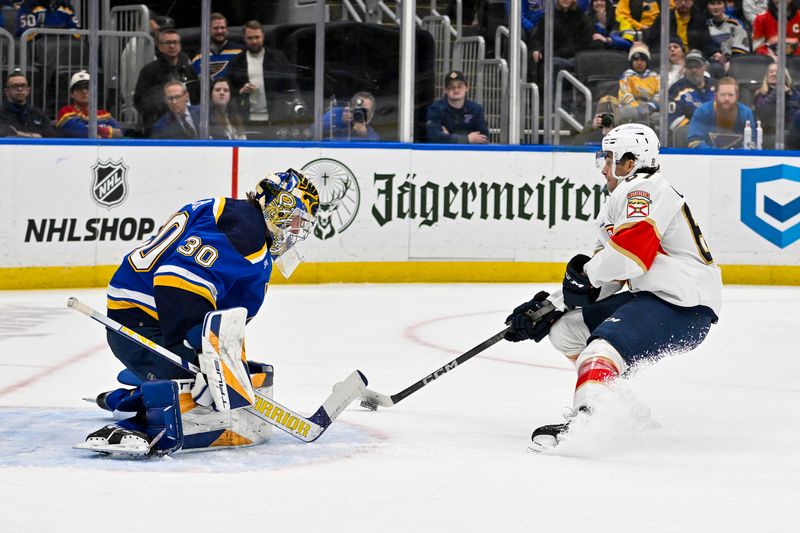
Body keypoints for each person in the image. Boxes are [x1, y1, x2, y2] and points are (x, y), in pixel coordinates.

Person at [504, 123, 721, 452]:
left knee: (599, 349)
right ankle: (623, 409)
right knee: (566, 330)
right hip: (655, 298)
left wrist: (586, 277)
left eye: (609, 158)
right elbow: (604, 278)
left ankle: (586, 422)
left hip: (681, 305)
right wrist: (548, 307)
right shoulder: (627, 197)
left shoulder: (644, 190)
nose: (604, 167)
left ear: (630, 162)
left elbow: (630, 258)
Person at [82, 169, 320, 455]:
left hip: (149, 315)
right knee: (202, 384)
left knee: (223, 377)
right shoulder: (247, 233)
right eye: (295, 220)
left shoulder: (239, 218)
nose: (296, 231)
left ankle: (128, 396)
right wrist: (199, 354)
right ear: (278, 207)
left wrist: (215, 355)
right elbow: (176, 280)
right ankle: (140, 423)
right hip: (142, 322)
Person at [229, 20, 306, 140]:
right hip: (247, 122)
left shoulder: (278, 58)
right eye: (250, 38)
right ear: (244, 38)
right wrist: (241, 91)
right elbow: (229, 90)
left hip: (275, 120)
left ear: (263, 36)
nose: (254, 41)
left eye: (257, 37)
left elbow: (291, 86)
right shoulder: (237, 61)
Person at [134, 28, 200, 135]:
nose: (172, 46)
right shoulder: (149, 71)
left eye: (175, 42)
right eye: (168, 43)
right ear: (160, 46)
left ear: (180, 45)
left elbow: (197, 97)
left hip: (188, 124)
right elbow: (139, 102)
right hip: (161, 128)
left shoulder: (189, 69)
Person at [643, 0, 722, 68]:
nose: (683, 4)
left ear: (692, 2)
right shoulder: (664, 17)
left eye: (686, 1)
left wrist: (715, 52)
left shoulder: (699, 19)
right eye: (680, 1)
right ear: (674, 1)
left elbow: (706, 41)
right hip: (669, 55)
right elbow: (651, 37)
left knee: (717, 66)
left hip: (693, 55)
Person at [528, 0, 593, 78]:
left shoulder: (583, 18)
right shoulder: (548, 16)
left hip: (575, 57)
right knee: (553, 63)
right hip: (553, 56)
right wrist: (537, 49)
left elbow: (586, 42)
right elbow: (538, 37)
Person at [687, 76, 757, 148]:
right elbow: (694, 142)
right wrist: (716, 153)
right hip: (708, 157)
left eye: (731, 95)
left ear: (737, 96)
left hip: (737, 157)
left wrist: (733, 154)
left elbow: (752, 143)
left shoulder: (746, 113)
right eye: (722, 95)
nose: (727, 99)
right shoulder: (702, 111)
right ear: (715, 96)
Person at [425, 70, 490, 144]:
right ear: (445, 90)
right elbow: (433, 136)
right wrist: (467, 139)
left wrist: (448, 137)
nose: (456, 90)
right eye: (451, 87)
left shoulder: (476, 109)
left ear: (467, 88)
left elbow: (484, 139)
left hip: (470, 154)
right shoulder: (436, 109)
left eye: (460, 86)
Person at [55, 71, 122, 138]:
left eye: (87, 88)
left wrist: (91, 128)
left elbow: (119, 134)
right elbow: (80, 132)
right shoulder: (65, 112)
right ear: (72, 94)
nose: (84, 91)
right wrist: (104, 130)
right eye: (79, 88)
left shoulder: (104, 114)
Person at [753, 62, 800, 147]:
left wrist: (790, 94)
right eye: (771, 72)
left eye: (777, 72)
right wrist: (778, 91)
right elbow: (762, 111)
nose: (774, 74)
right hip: (768, 134)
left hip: (792, 136)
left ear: (785, 76)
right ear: (767, 76)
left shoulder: (794, 94)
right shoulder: (760, 94)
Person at [668, 49, 716, 130]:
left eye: (697, 66)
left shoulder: (716, 86)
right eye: (690, 66)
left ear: (704, 67)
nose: (693, 70)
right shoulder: (676, 89)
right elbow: (672, 121)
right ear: (685, 68)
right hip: (691, 134)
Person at [0, 69, 56, 138]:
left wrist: (18, 134)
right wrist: (35, 136)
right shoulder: (1, 114)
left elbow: (51, 135)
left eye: (23, 86)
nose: (20, 89)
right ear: (7, 91)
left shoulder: (39, 114)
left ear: (28, 90)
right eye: (15, 86)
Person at [190, 12, 244, 81]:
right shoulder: (199, 57)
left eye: (222, 27)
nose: (220, 31)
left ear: (227, 30)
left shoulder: (240, 52)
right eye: (216, 28)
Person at [617, 43, 660, 125]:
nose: (639, 63)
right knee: (627, 112)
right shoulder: (627, 76)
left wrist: (651, 106)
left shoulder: (654, 77)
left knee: (660, 117)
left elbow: (660, 95)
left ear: (647, 62)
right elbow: (624, 94)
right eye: (636, 60)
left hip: (650, 108)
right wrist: (637, 107)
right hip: (632, 108)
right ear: (631, 61)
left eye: (642, 60)